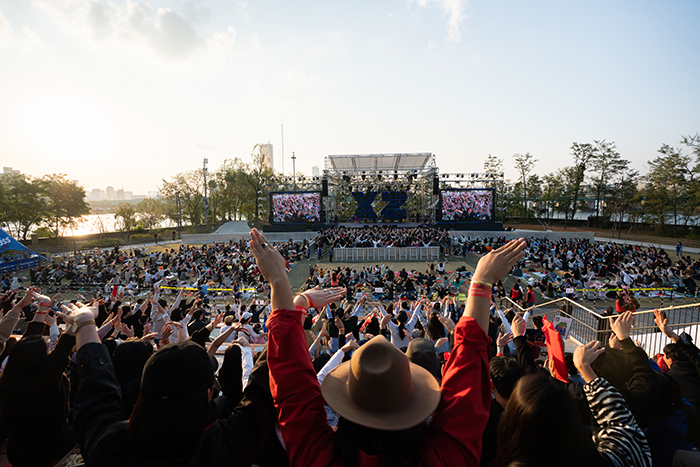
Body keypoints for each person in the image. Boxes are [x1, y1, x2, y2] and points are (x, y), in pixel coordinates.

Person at [249, 227, 527, 466]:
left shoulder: (317, 456)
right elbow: (467, 387)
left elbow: (291, 385)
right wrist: (480, 284)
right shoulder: (443, 459)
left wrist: (285, 289)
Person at [60, 299, 279, 466]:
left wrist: (86, 322)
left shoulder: (110, 443)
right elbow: (259, 394)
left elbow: (97, 390)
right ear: (208, 395)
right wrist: (279, 285)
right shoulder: (220, 449)